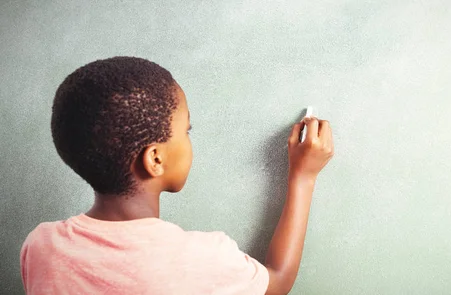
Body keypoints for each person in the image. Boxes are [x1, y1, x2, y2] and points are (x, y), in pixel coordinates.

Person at [20, 56, 334, 295]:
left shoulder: (41, 247)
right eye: (186, 130)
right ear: (155, 159)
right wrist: (302, 177)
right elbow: (278, 279)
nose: (188, 138)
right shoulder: (202, 258)